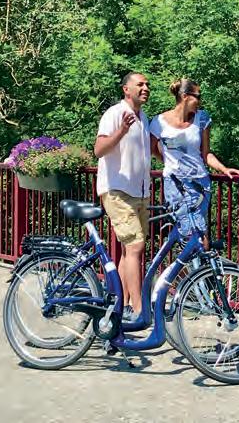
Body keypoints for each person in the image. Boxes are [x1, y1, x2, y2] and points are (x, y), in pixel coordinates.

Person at [149, 78, 239, 244]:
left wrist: (224, 169)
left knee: (198, 231)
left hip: (199, 184)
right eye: (198, 96)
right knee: (186, 230)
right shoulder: (159, 122)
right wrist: (168, 161)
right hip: (174, 184)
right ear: (185, 96)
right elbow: (151, 149)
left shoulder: (202, 118)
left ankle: (199, 261)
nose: (200, 101)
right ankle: (197, 261)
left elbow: (206, 154)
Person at [94, 72, 154, 320]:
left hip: (139, 191)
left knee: (129, 251)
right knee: (135, 246)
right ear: (126, 90)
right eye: (140, 84)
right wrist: (121, 130)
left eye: (147, 84)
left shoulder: (144, 118)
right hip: (117, 189)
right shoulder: (115, 113)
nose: (146, 88)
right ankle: (140, 311)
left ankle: (122, 304)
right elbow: (99, 150)